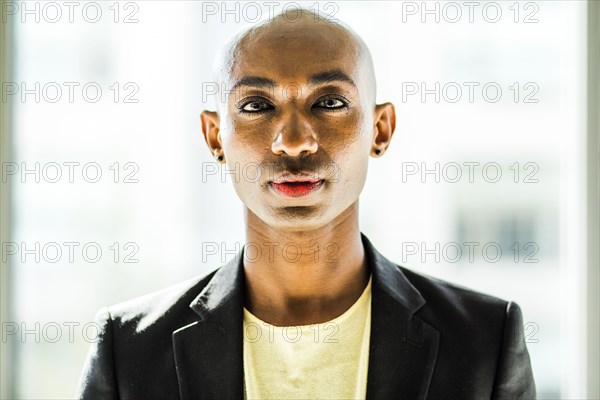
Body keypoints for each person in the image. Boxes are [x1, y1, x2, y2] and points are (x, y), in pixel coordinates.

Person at [77, 8, 536, 400]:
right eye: (257, 106)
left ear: (380, 130)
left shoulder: (483, 339)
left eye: (329, 102)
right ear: (215, 137)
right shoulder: (129, 348)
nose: (293, 141)